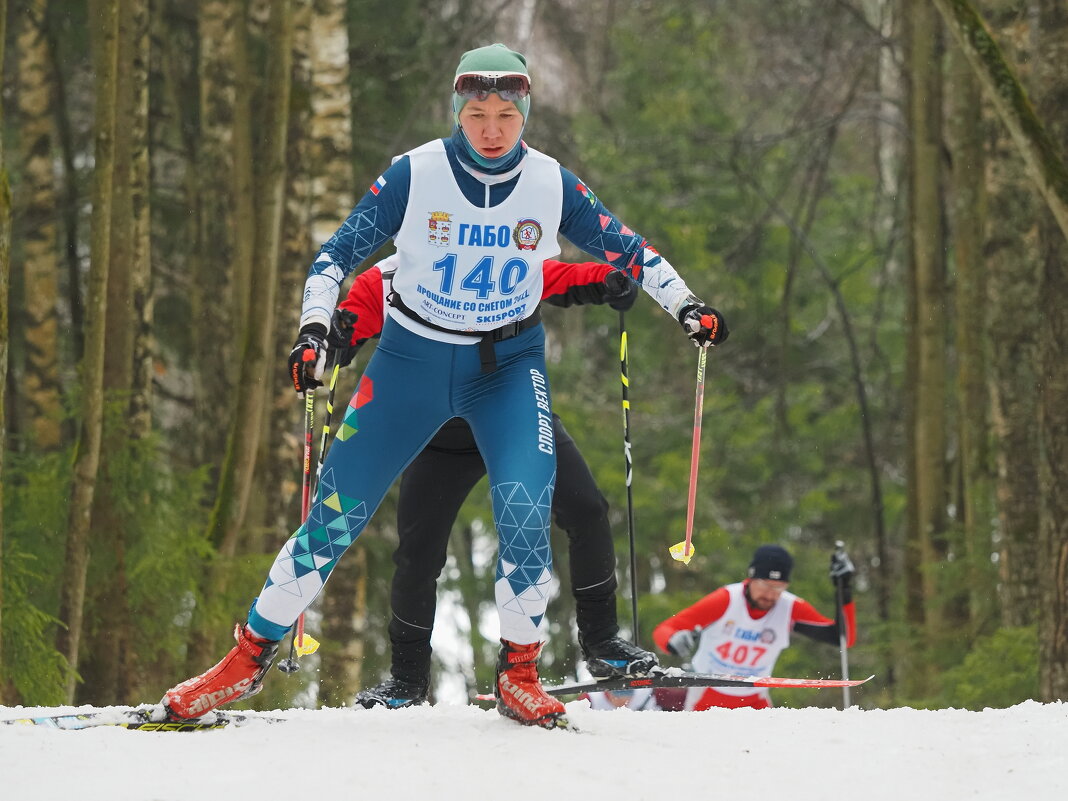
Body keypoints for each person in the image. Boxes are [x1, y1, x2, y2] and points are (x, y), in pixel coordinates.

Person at [162, 42, 728, 730]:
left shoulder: (552, 184)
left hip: (509, 369)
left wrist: (689, 307)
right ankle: (246, 660)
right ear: (458, 112)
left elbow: (630, 250)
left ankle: (519, 670)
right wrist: (315, 331)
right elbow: (335, 256)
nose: (492, 128)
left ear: (526, 115)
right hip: (410, 364)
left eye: (506, 115)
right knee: (333, 519)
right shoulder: (415, 173)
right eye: (477, 113)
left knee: (527, 506)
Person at [326, 255, 660, 709]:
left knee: (586, 510)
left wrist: (607, 280)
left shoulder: (498, 252)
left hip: (514, 420)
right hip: (439, 437)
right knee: (417, 555)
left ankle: (602, 645)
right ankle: (406, 682)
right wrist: (339, 334)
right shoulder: (393, 271)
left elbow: (555, 276)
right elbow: (358, 312)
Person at [652, 544, 856, 710]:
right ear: (750, 578)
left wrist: (844, 592)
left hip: (754, 698)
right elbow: (665, 629)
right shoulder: (726, 600)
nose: (770, 594)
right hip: (707, 696)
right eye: (765, 585)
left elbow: (843, 638)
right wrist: (672, 642)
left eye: (778, 588)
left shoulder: (789, 607)